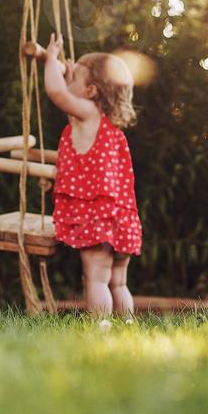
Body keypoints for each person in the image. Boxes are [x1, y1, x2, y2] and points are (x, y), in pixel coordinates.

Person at [39, 32, 142, 318]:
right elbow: (70, 93)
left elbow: (57, 93)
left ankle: (100, 329)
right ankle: (127, 326)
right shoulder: (106, 124)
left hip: (98, 218)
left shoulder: (87, 115)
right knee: (118, 282)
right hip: (122, 218)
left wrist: (50, 60)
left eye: (75, 79)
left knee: (95, 278)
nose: (68, 81)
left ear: (91, 92)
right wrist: (72, 75)